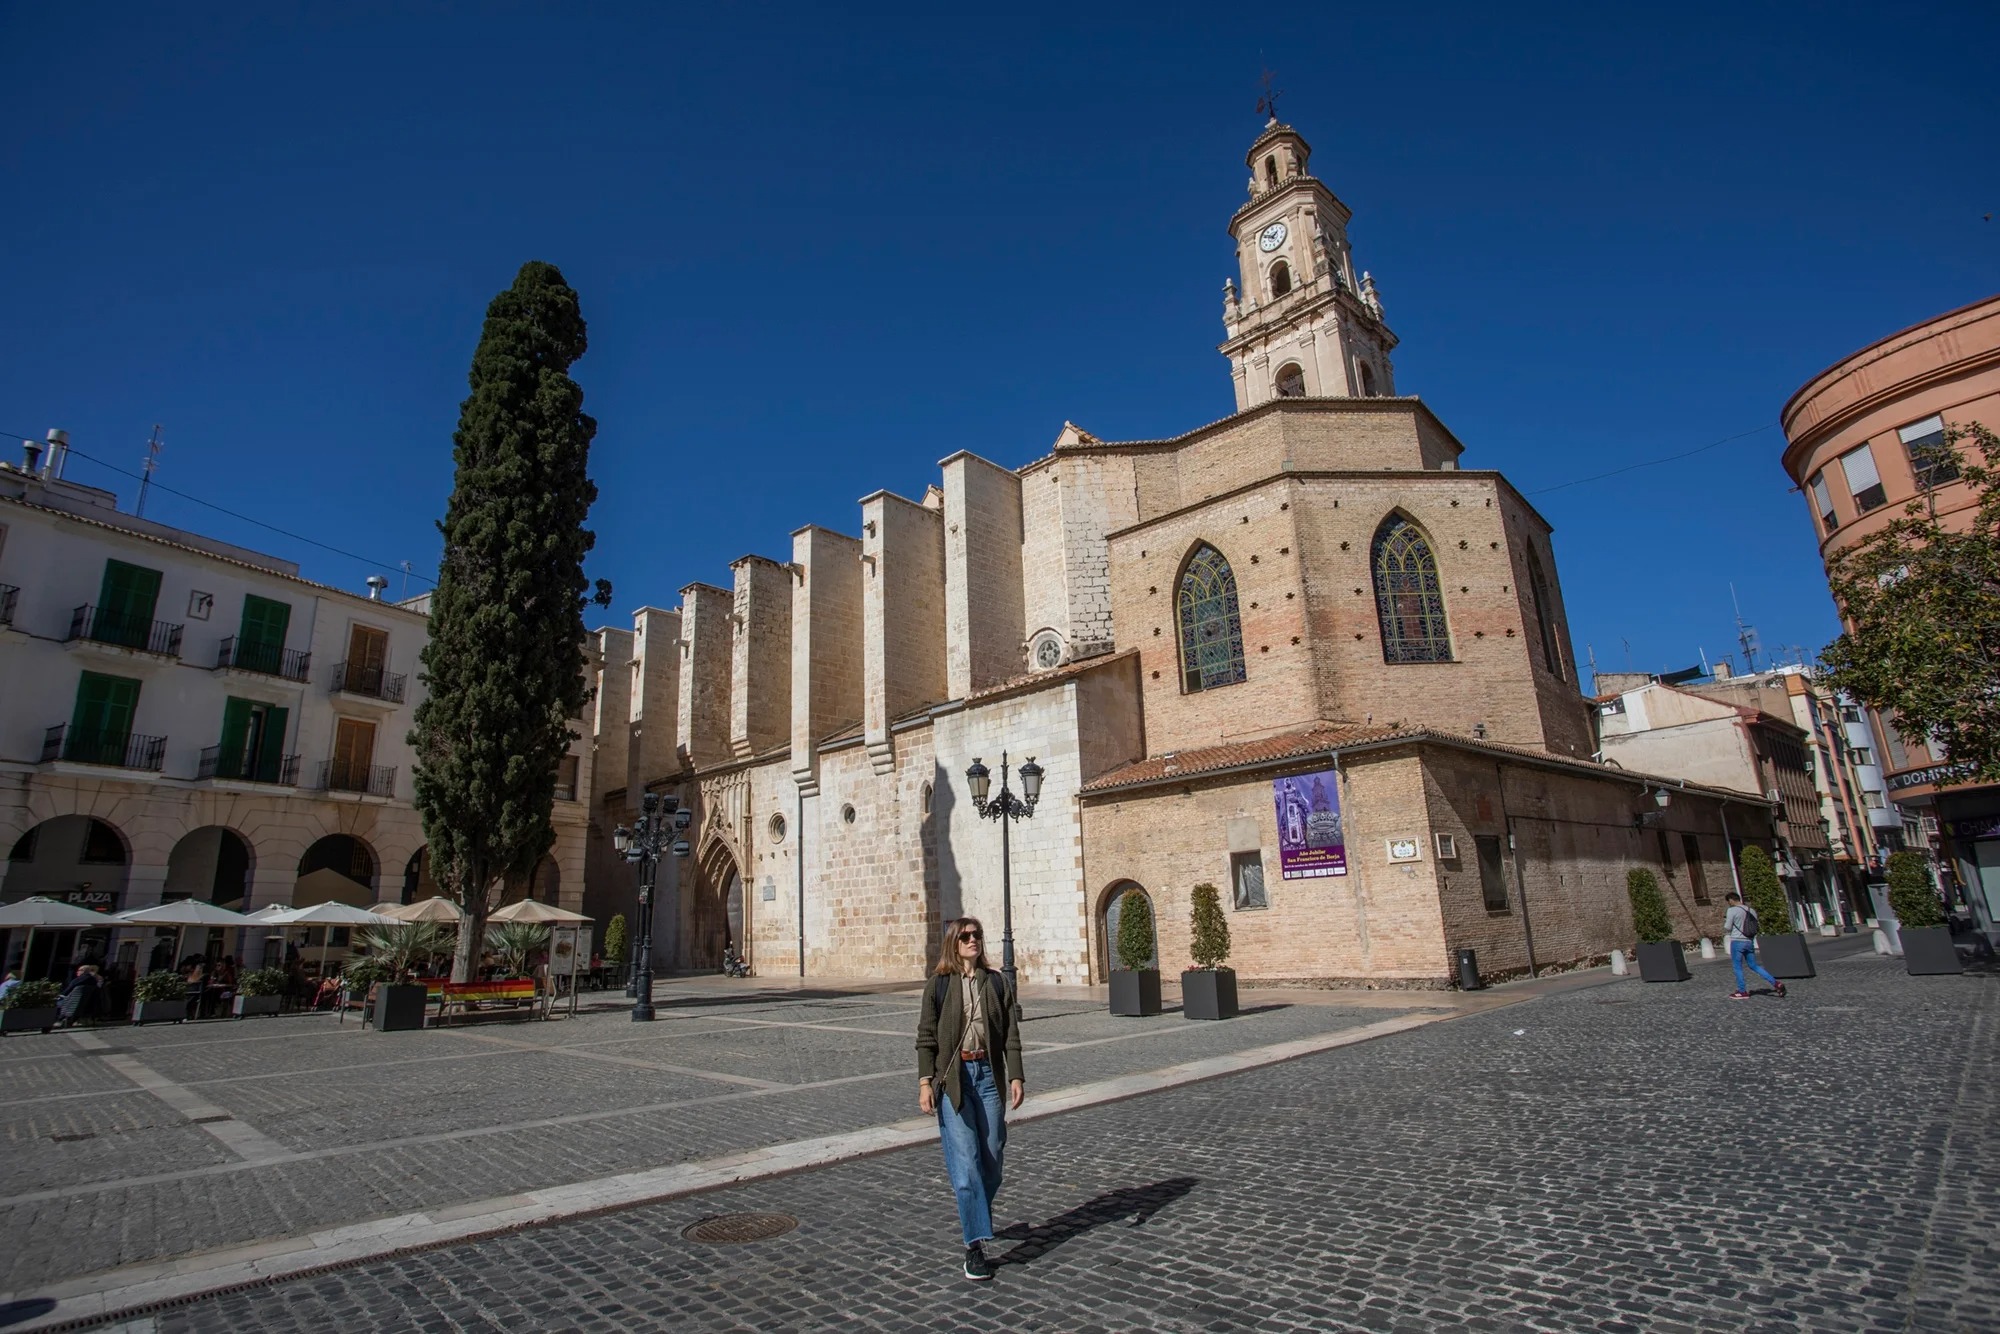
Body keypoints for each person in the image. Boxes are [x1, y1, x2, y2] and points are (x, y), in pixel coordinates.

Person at [915, 916, 1025, 1281]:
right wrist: (925, 1082)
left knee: (992, 1155)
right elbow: (926, 1036)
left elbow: (1010, 1032)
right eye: (965, 936)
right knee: (965, 1166)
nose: (973, 940)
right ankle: (974, 1245)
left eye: (977, 934)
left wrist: (1016, 1075)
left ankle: (977, 1211)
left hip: (988, 1078)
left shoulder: (995, 982)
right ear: (953, 943)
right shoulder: (939, 985)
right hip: (954, 1082)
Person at [1723, 891, 1785, 1000]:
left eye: (1729, 902)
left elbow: (1727, 927)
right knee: (1754, 965)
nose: (1729, 904)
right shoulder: (1751, 910)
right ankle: (1776, 983)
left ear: (1731, 900)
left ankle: (1742, 991)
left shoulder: (1732, 910)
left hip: (1737, 941)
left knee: (1737, 967)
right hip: (1749, 941)